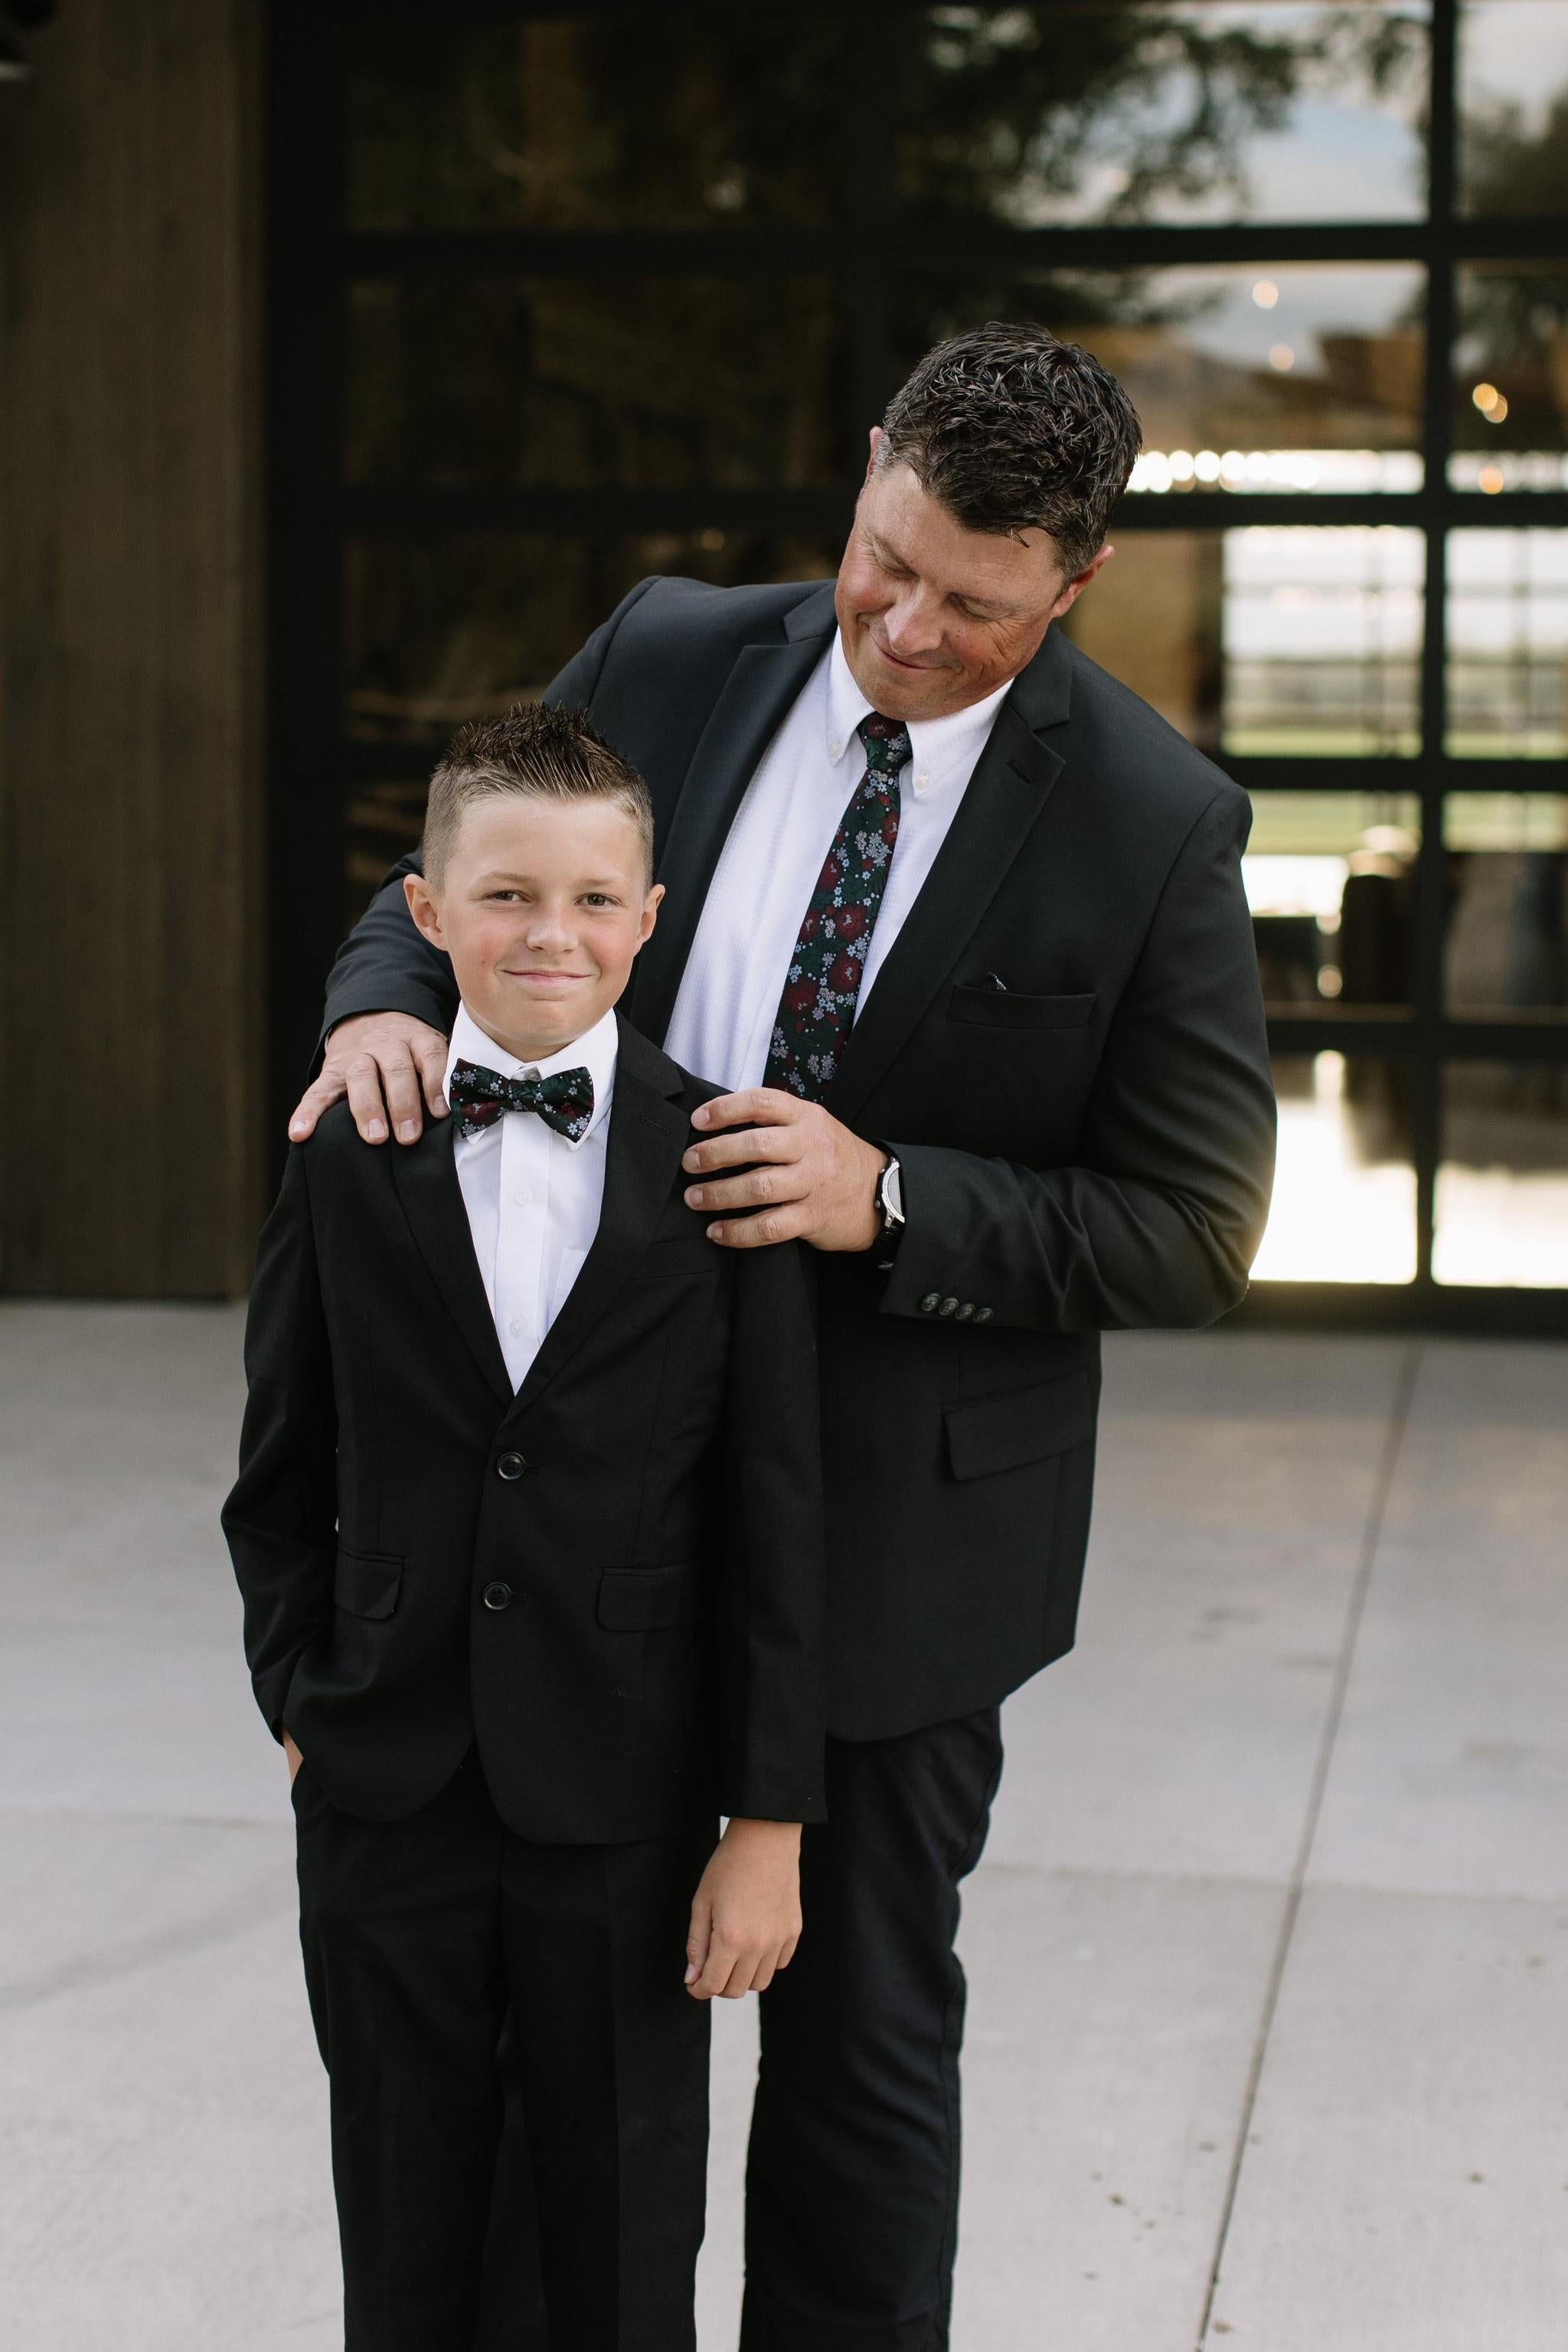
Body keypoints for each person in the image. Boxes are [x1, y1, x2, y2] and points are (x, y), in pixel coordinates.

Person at [291, 322, 1277, 2349]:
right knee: (520, 2070)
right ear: (865, 473)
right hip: (568, 1528)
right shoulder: (668, 645)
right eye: (884, 559)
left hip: (900, 1560)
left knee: (854, 2073)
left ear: (1078, 584)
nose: (905, 627)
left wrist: (891, 1193)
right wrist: (377, 997)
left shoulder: (1156, 823)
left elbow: (1196, 1224)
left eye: (975, 606)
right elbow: (463, 871)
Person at [225, 704, 827, 2352]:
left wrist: (763, 1822)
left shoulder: (723, 1162)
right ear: (427, 914)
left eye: (587, 900)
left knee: (624, 2244)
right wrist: (301, 1704)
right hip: (387, 1788)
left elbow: (775, 1524)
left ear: (649, 917)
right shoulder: (351, 1152)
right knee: (403, 2229)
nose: (547, 934)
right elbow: (278, 1476)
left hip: (625, 1804)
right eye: (503, 896)